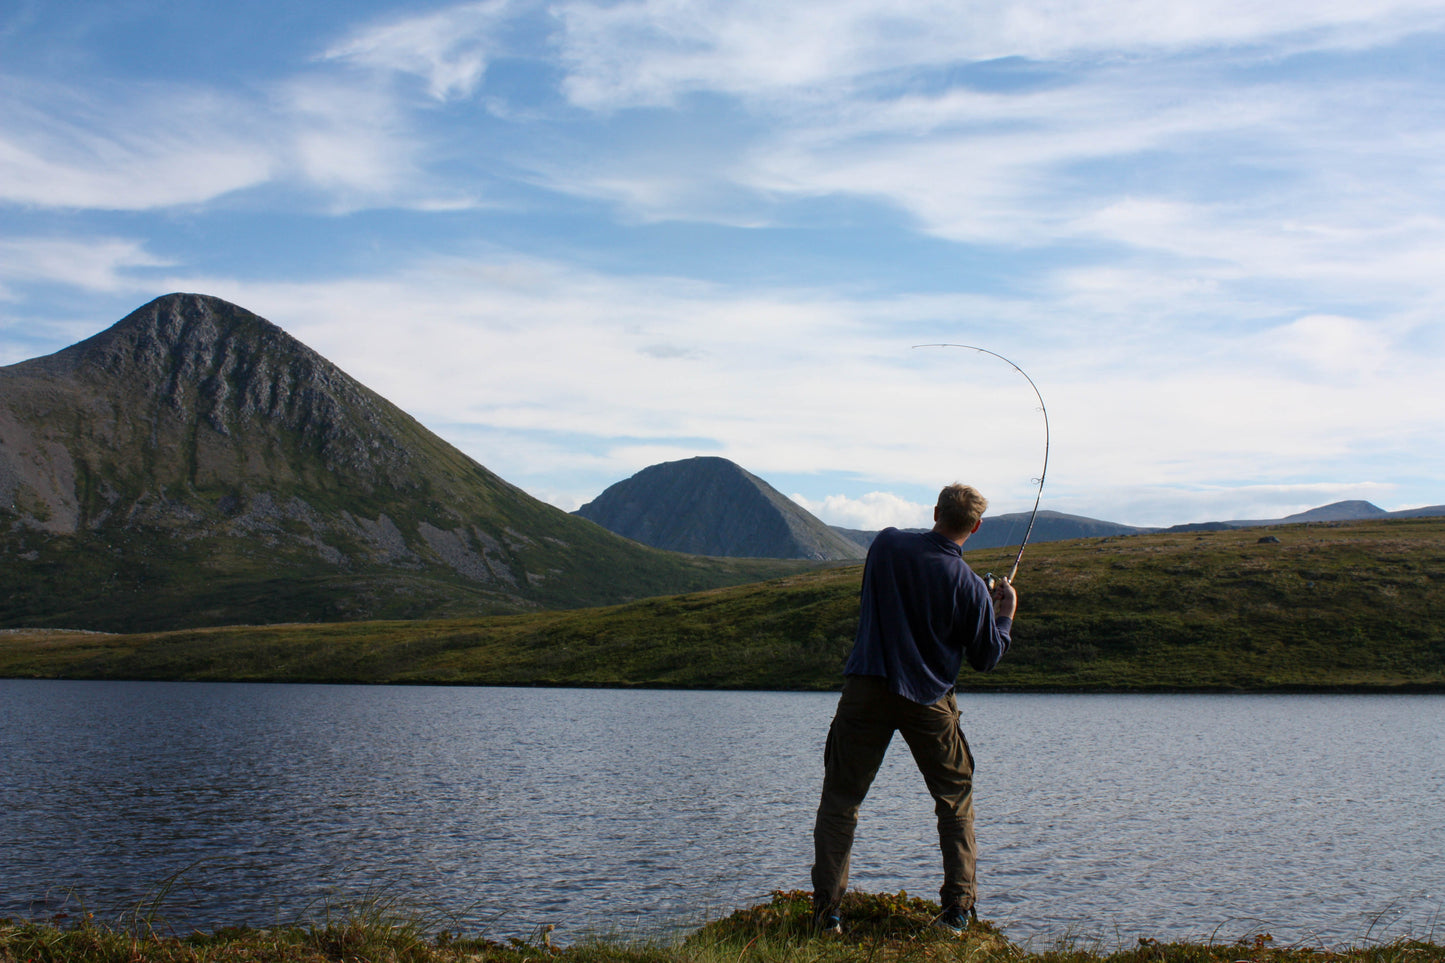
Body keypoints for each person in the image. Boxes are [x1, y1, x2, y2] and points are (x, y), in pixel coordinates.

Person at [810, 483, 1017, 935]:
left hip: (867, 688)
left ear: (936, 510)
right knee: (954, 803)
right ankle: (957, 914)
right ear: (977, 527)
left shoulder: (886, 544)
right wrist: (1004, 613)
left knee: (841, 801)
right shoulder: (969, 585)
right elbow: (986, 656)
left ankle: (827, 916)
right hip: (930, 702)